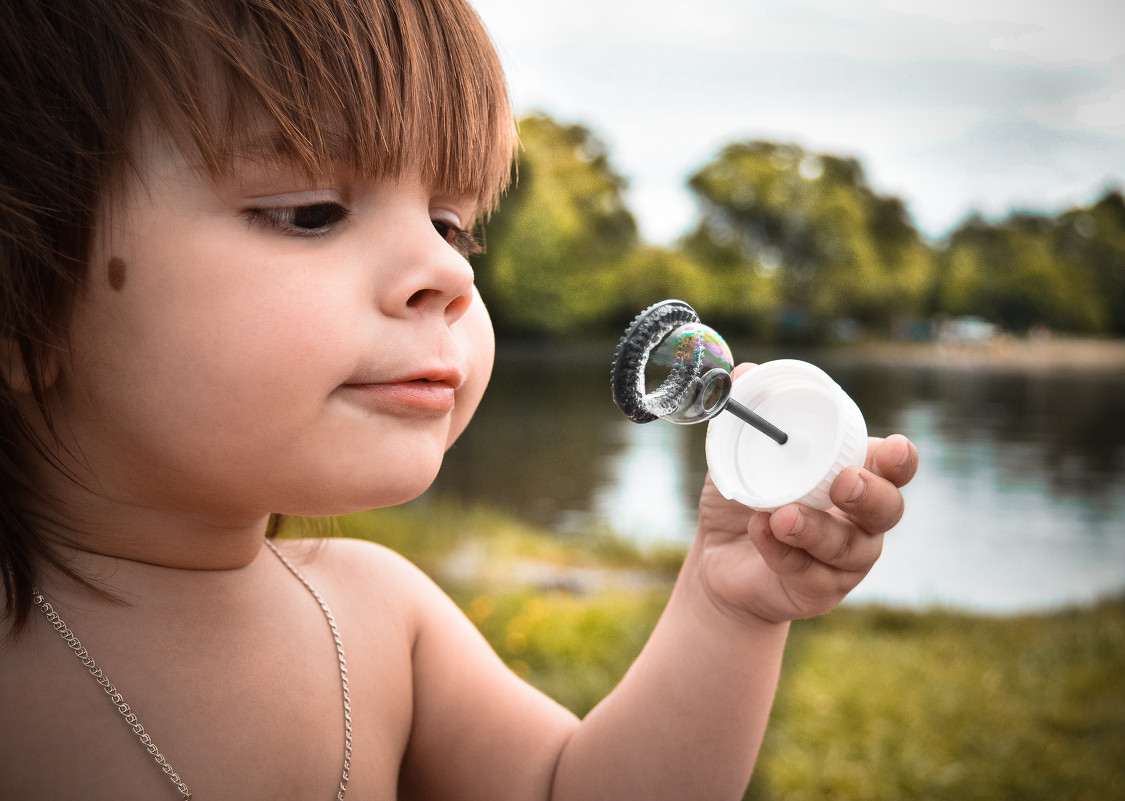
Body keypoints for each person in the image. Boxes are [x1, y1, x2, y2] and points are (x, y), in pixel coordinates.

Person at [0, 0, 919, 798]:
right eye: (310, 211)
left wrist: (730, 609)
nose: (445, 270)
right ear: (24, 305)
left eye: (451, 224)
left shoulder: (380, 618)